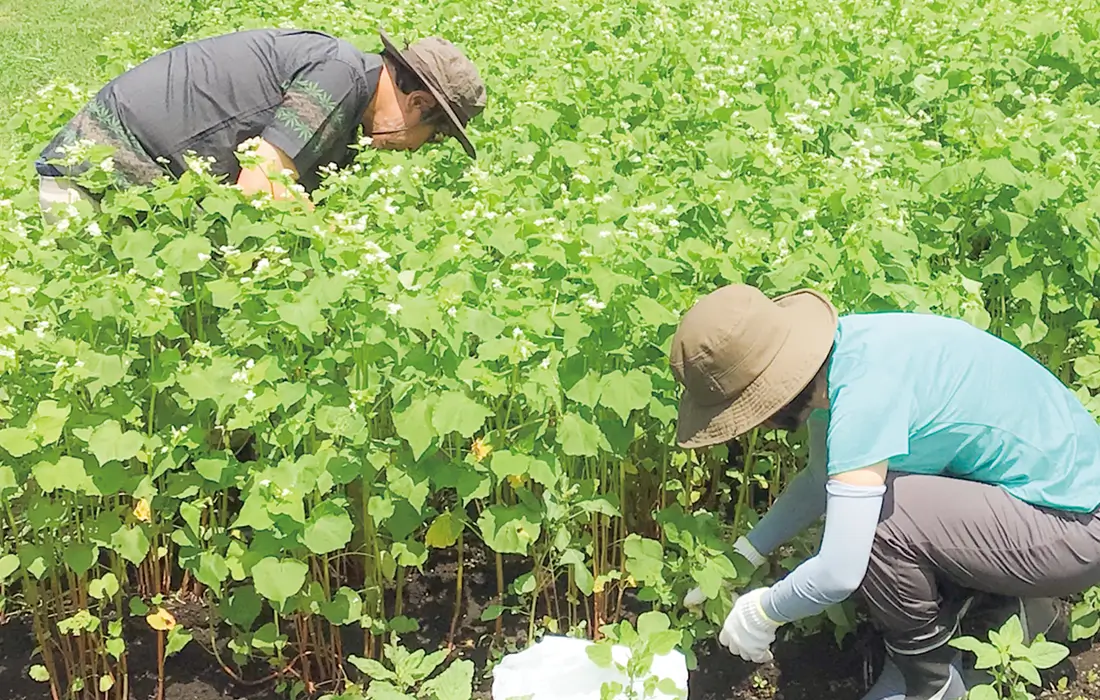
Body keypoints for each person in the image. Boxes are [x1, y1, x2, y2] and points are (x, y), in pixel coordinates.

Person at [671, 283, 1100, 700]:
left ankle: (930, 681)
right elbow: (822, 479)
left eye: (745, 412)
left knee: (877, 519)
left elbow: (840, 570)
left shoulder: (863, 396)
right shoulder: (840, 360)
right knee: (869, 501)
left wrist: (766, 611)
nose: (751, 425)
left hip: (1076, 527)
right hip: (1039, 505)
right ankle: (1023, 610)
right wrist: (745, 554)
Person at [35, 27, 486, 219]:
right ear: (419, 101)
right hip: (92, 181)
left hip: (133, 193)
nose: (415, 150)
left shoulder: (350, 106)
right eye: (432, 137)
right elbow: (261, 190)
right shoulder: (340, 75)